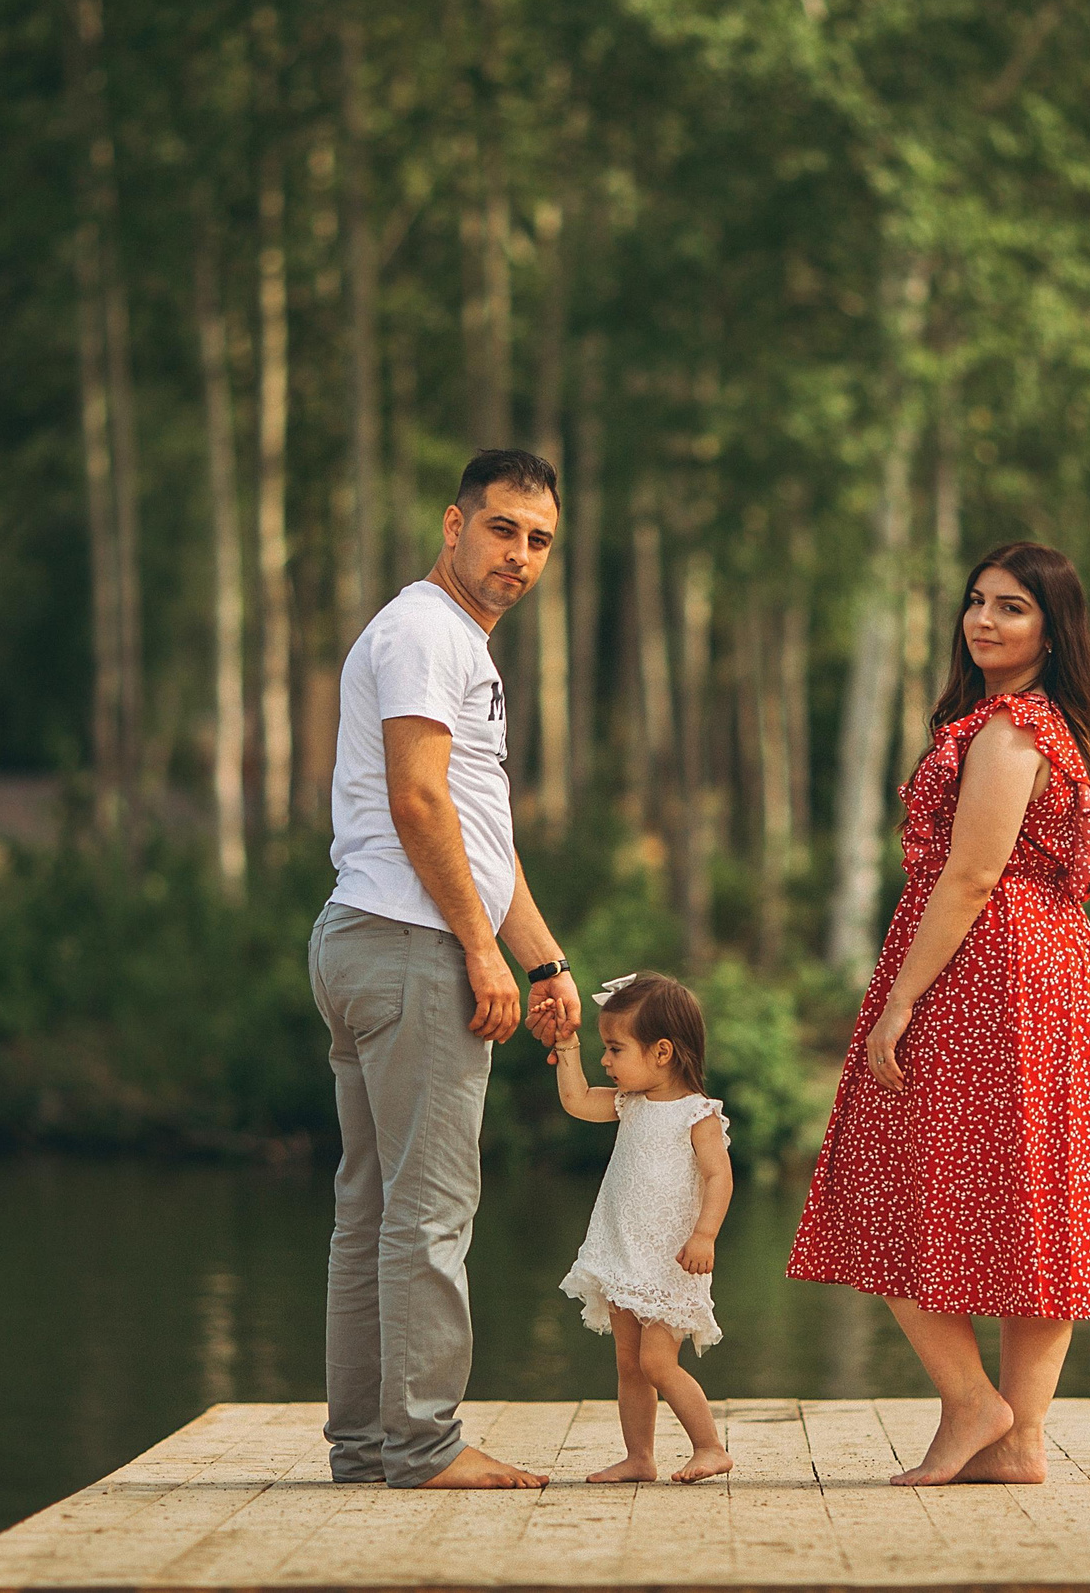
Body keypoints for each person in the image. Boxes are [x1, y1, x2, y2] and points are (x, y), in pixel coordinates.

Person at [787, 540, 1090, 1487]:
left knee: (888, 1178)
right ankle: (1018, 1441)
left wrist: (900, 999)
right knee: (1031, 1203)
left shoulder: (1010, 732)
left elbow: (974, 873)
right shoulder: (1038, 725)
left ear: (1052, 630)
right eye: (976, 602)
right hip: (1048, 975)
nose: (984, 620)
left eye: (1013, 607)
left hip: (990, 975)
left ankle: (979, 1406)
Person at [307, 449, 582, 1490]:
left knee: (374, 1211)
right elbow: (420, 804)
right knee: (426, 1213)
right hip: (410, 946)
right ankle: (420, 1448)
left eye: (539, 539)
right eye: (502, 527)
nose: (518, 554)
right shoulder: (427, 631)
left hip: (371, 937)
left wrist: (542, 959)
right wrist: (477, 950)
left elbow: (478, 833)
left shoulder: (447, 638)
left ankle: (369, 1446)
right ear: (452, 524)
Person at [541, 972, 736, 1485]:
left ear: (662, 1052)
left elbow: (719, 1176)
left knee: (657, 1362)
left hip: (673, 1258)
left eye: (615, 1048)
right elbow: (577, 1100)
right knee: (630, 1365)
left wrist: (705, 1234)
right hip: (625, 1252)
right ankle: (639, 1457)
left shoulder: (698, 1114)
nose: (606, 1060)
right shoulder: (630, 1103)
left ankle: (710, 1446)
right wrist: (567, 1048)